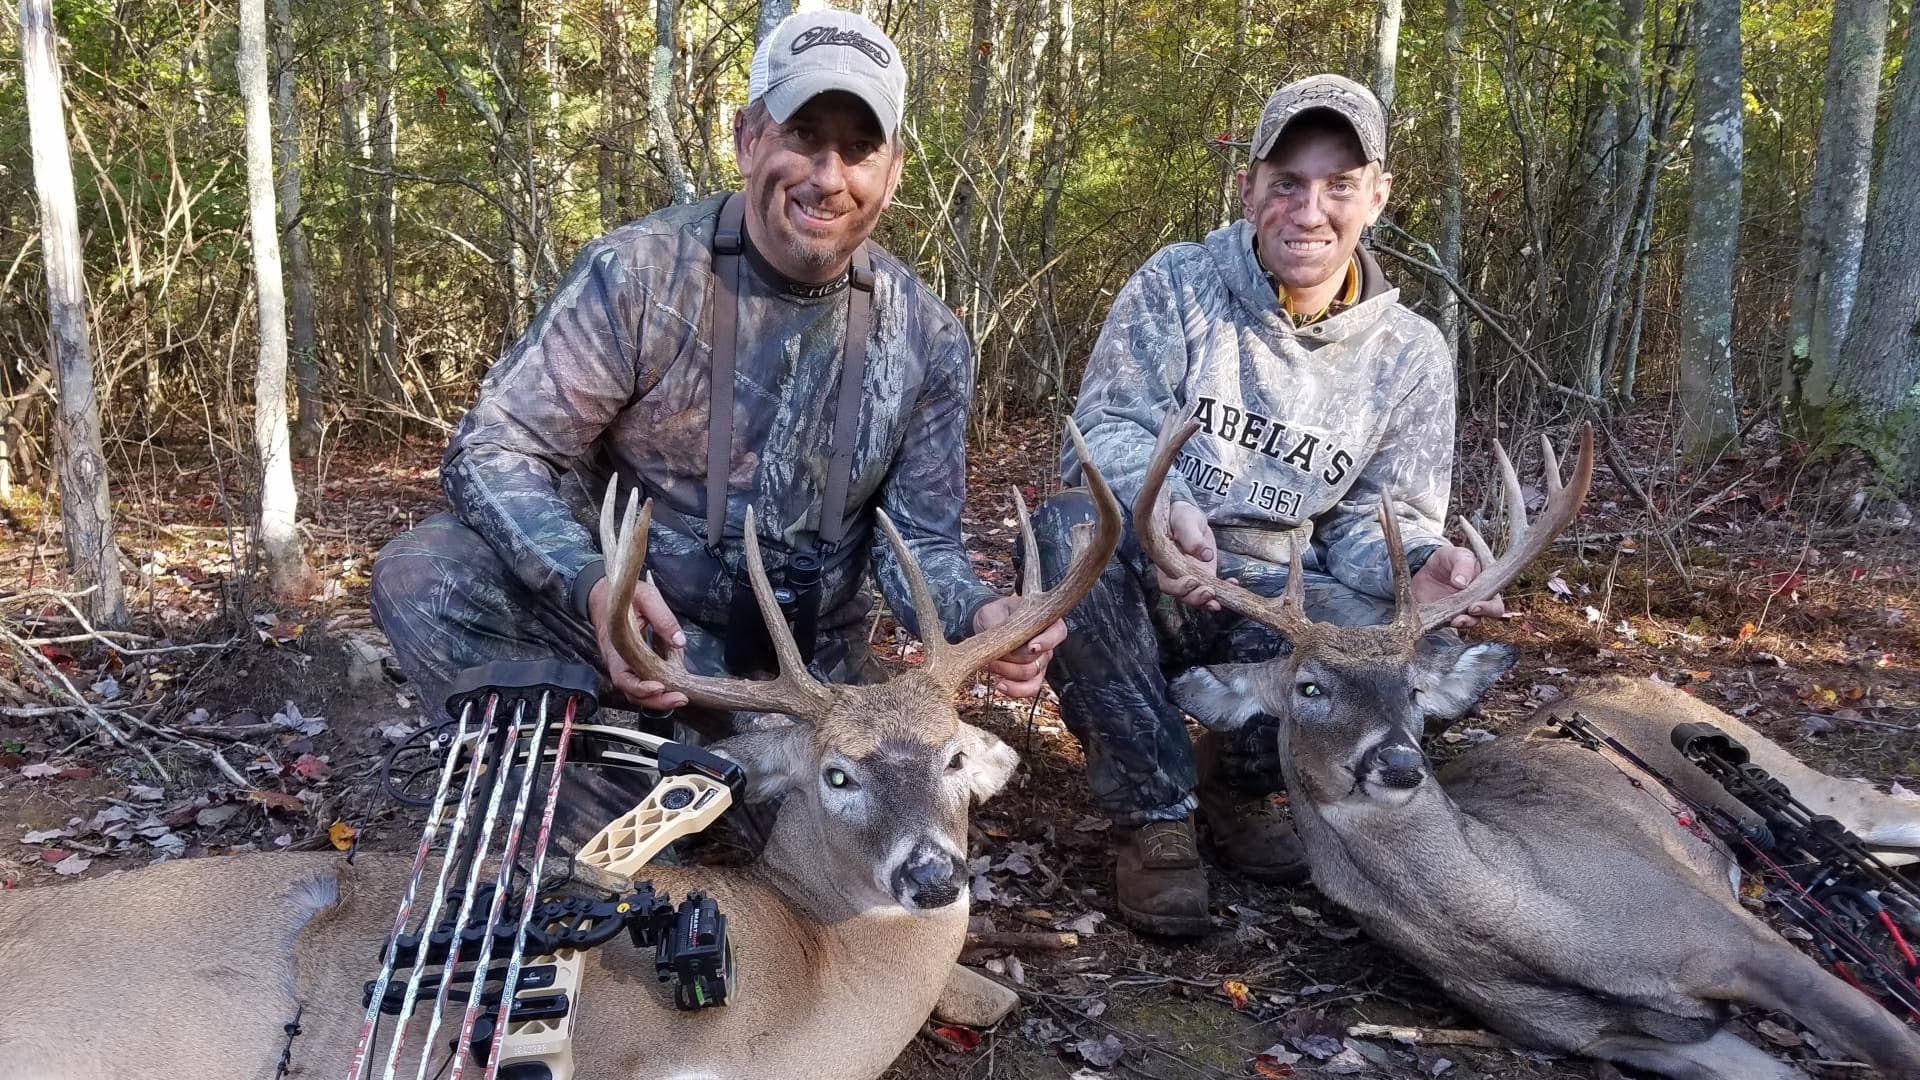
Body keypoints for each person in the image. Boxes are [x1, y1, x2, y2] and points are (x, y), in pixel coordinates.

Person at [370, 8, 1064, 838]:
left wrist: (980, 616)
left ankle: (710, 819)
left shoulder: (926, 336)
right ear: (745, 139)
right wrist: (594, 584)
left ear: (895, 170)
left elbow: (923, 547)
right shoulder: (639, 277)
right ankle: (600, 819)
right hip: (635, 644)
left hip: (811, 687)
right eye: (802, 134)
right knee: (426, 571)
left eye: (859, 149)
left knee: (882, 815)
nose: (827, 176)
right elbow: (497, 447)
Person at [1032, 74, 1501, 936]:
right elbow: (1101, 431)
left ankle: (1240, 787)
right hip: (1165, 560)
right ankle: (1155, 816)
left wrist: (1420, 564)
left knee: (1383, 626)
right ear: (1249, 188)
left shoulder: (1409, 354)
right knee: (1071, 532)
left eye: (1338, 186)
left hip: (1286, 589)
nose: (1309, 210)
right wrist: (1163, 506)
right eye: (1286, 182)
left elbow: (1376, 520)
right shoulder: (1180, 285)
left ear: (1378, 196)